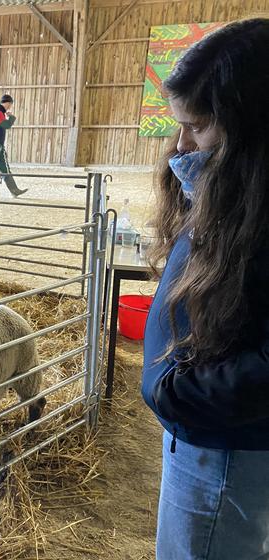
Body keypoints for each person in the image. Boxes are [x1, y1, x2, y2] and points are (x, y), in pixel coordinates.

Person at [140, 18, 269, 560]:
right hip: (204, 433)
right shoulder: (234, 190)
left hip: (227, 450)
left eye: (197, 125)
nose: (181, 143)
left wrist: (178, 393)